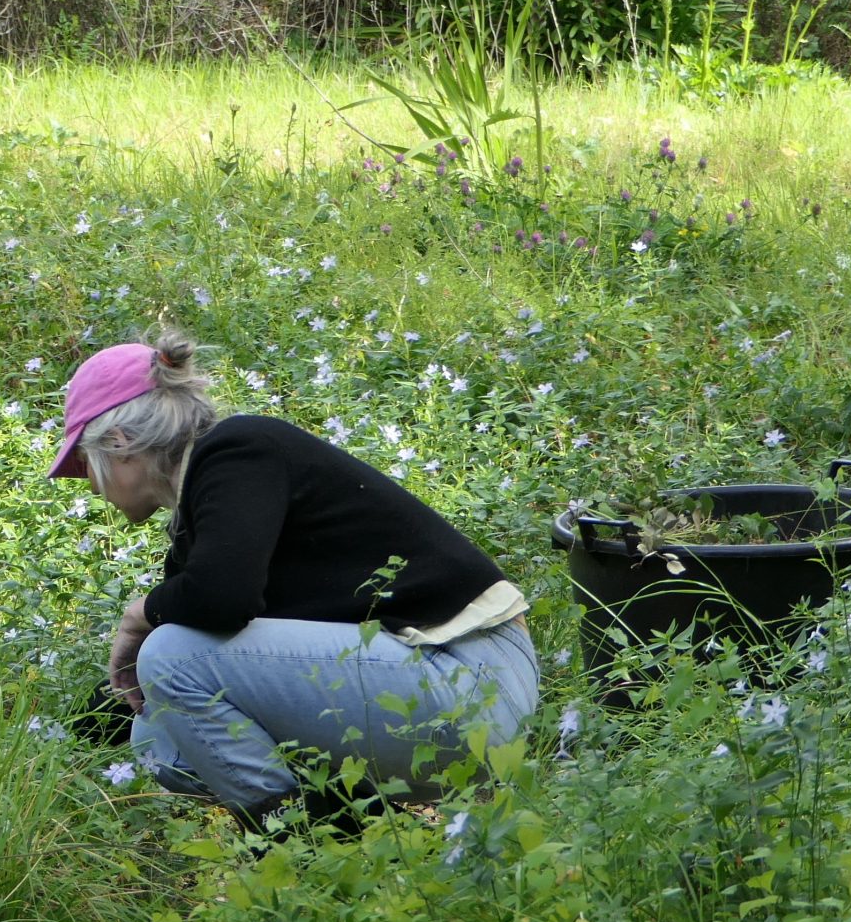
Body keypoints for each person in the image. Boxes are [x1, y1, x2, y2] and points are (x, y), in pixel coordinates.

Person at [50, 333, 538, 826]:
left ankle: (297, 847)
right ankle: (371, 840)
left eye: (84, 465)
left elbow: (220, 600)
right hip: (432, 683)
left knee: (172, 657)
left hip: (470, 676)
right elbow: (207, 629)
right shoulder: (207, 497)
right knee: (160, 739)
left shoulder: (237, 450)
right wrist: (60, 738)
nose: (90, 484)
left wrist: (140, 616)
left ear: (119, 443)